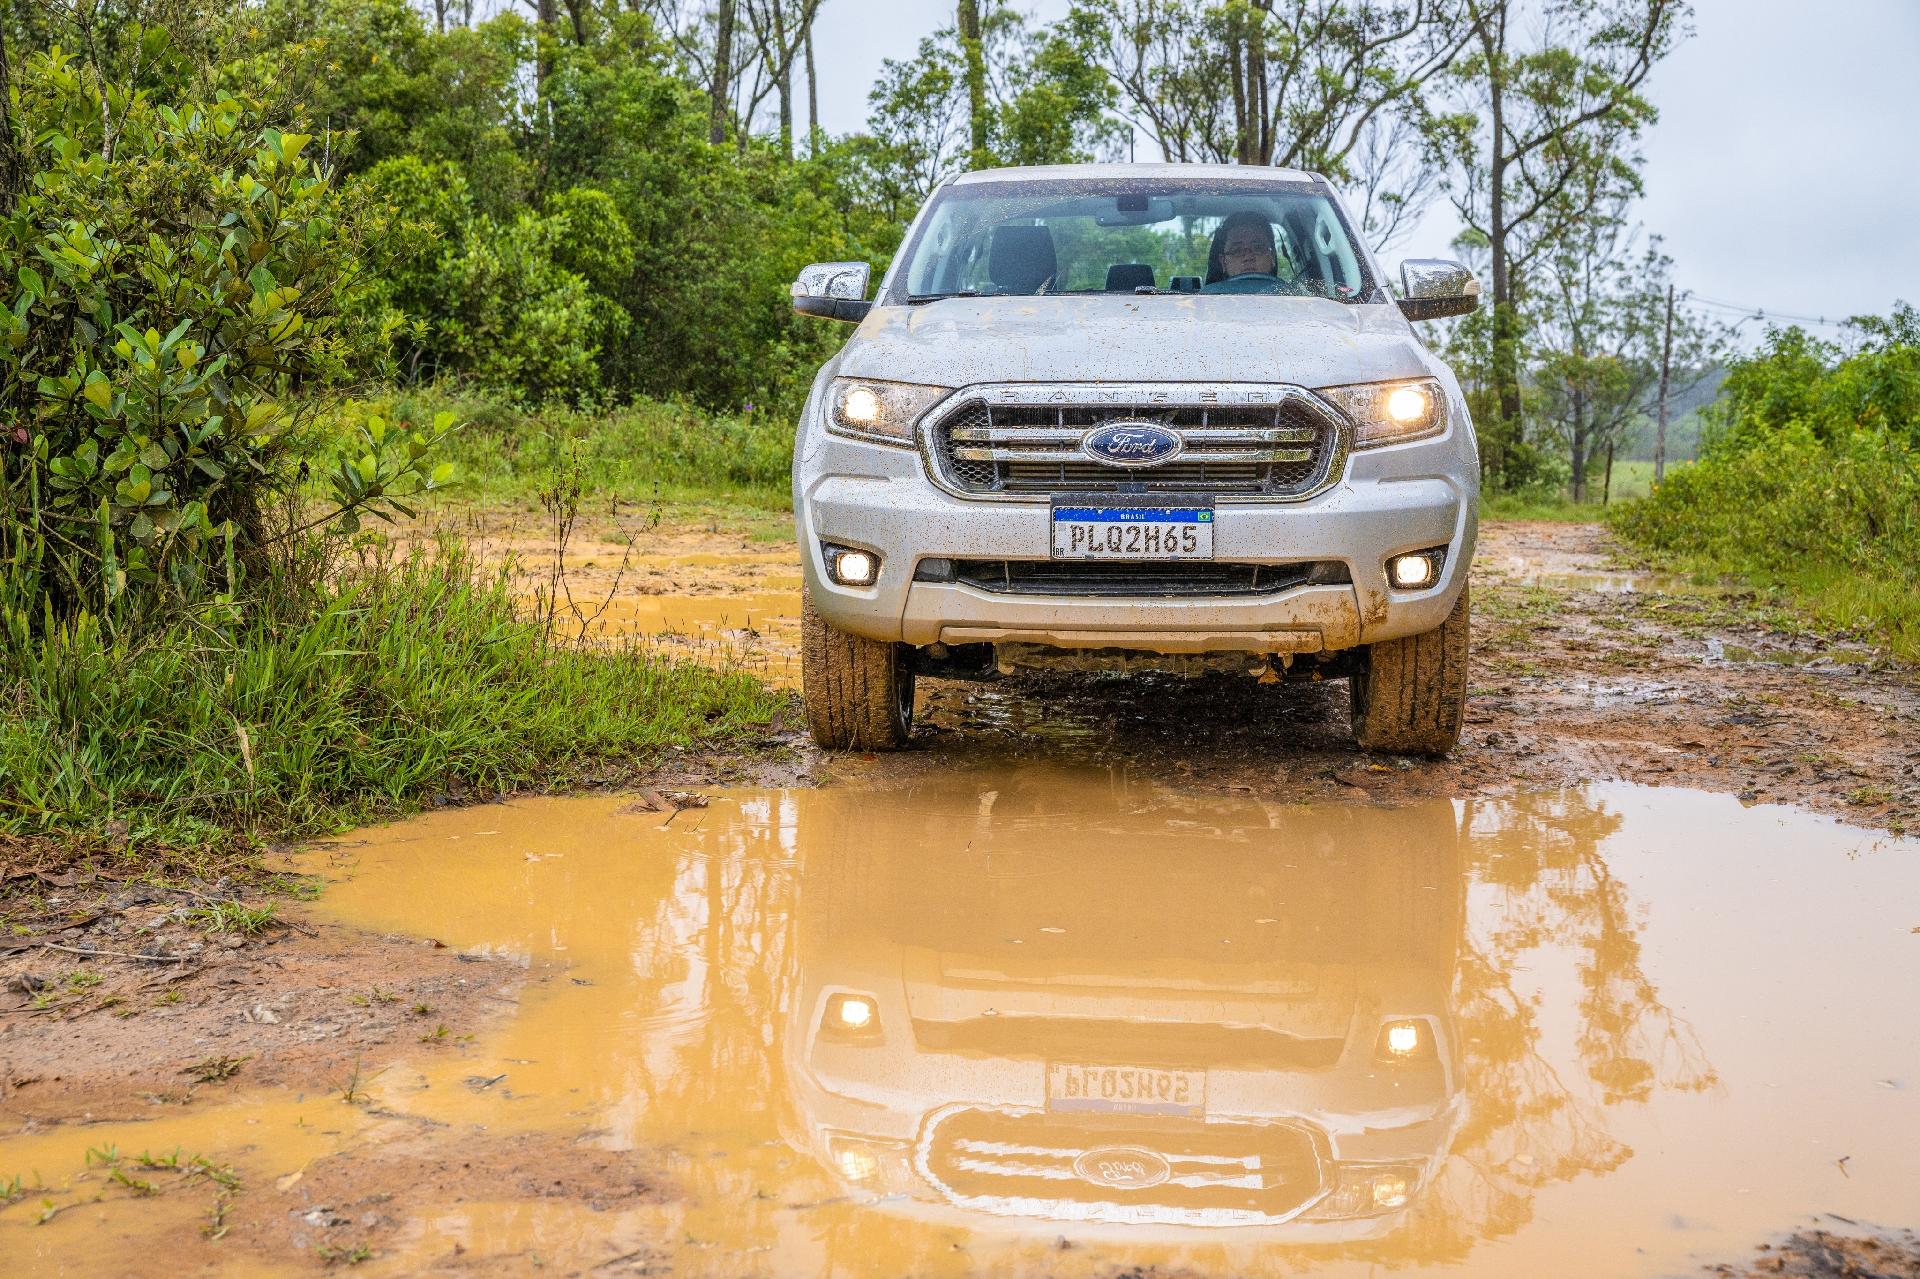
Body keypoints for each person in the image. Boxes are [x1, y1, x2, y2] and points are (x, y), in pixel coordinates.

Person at [1204, 212, 1288, 294]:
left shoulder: (1293, 296)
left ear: (1272, 256)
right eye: (1237, 250)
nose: (1248, 257)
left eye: (1257, 248)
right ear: (1223, 262)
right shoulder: (1206, 300)